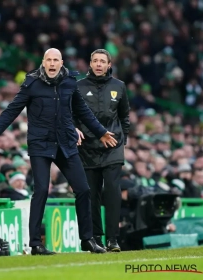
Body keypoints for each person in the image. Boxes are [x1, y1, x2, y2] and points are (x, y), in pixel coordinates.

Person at [0, 48, 117, 255]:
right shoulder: (31, 83)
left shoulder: (70, 82)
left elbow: (83, 111)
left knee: (83, 189)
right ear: (43, 62)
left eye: (55, 60)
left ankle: (87, 239)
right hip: (40, 145)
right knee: (41, 190)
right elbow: (12, 110)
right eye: (48, 60)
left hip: (66, 143)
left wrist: (101, 132)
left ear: (61, 63)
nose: (52, 63)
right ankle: (35, 244)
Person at [74, 49, 130, 252]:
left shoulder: (119, 86)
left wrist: (123, 138)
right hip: (87, 147)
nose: (98, 64)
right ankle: (95, 238)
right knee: (91, 193)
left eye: (102, 61)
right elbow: (70, 115)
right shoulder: (77, 87)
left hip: (112, 146)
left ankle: (113, 239)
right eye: (95, 61)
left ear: (109, 65)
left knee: (113, 192)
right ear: (90, 64)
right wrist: (75, 129)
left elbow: (124, 115)